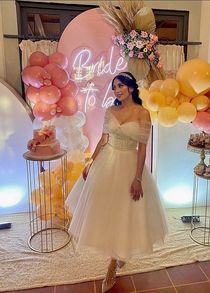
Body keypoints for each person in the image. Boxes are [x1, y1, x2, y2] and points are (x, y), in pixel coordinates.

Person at [65, 72, 168, 292]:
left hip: (129, 164)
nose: (117, 90)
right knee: (108, 213)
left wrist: (138, 178)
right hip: (107, 162)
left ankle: (113, 264)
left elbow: (142, 149)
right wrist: (91, 162)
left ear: (131, 88)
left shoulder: (143, 113)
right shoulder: (110, 110)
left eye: (120, 85)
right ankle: (117, 255)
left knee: (126, 214)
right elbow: (103, 139)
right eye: (114, 87)